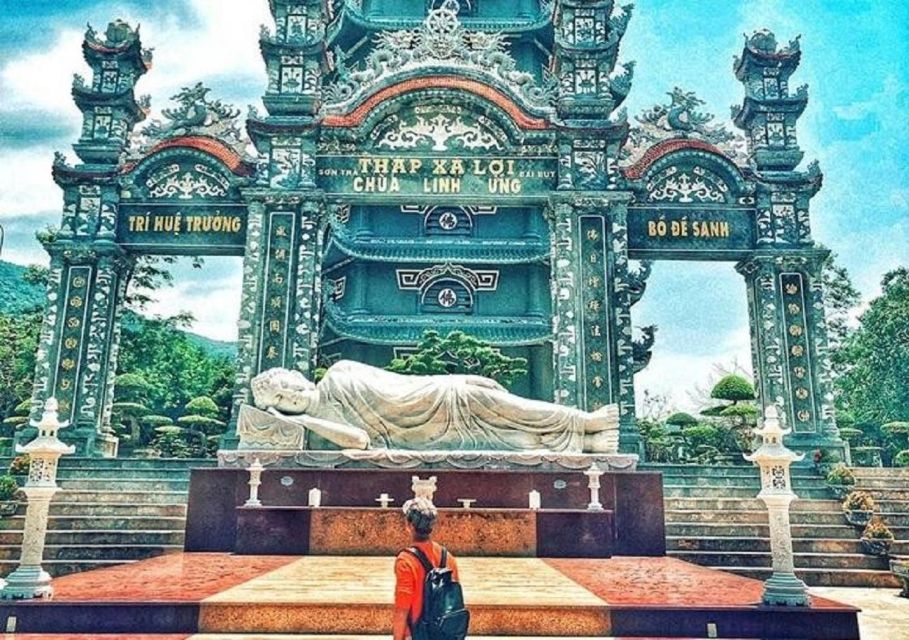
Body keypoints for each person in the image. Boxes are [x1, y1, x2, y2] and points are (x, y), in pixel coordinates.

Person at [393, 497, 461, 640]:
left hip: (418, 633)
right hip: (443, 633)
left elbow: (402, 609)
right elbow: (454, 601)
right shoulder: (447, 557)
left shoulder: (406, 561)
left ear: (410, 525)